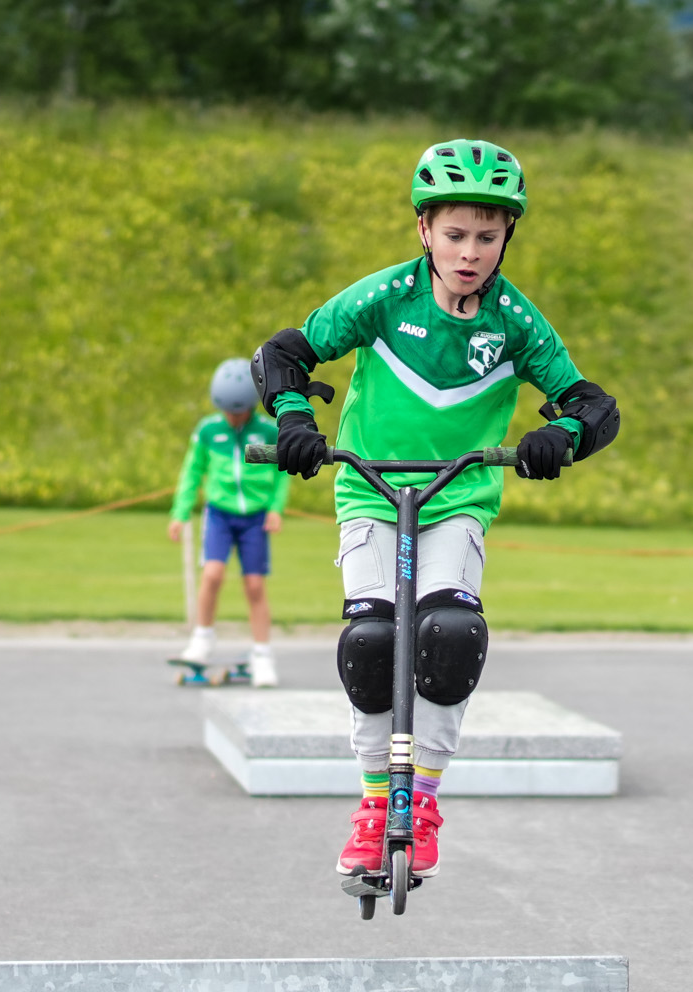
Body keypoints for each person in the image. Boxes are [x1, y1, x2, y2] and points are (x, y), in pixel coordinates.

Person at [252, 138, 619, 879]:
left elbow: (595, 406)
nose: (470, 252)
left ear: (507, 236)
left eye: (487, 236)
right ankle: (371, 803)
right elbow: (284, 354)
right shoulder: (383, 298)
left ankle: (419, 805)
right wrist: (293, 420)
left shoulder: (517, 323)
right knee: (373, 643)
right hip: (370, 488)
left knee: (448, 632)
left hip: (457, 499)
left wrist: (559, 436)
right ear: (424, 230)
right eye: (455, 234)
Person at [168, 359, 286, 687]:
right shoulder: (209, 432)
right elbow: (192, 473)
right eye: (228, 411)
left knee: (254, 586)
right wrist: (180, 512)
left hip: (255, 519)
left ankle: (263, 655)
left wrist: (276, 509)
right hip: (219, 514)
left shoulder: (264, 434)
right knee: (212, 574)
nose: (234, 418)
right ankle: (202, 640)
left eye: (240, 411)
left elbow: (280, 476)